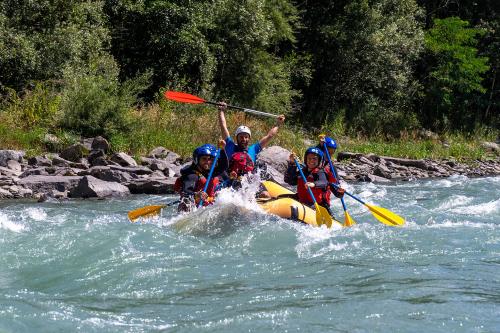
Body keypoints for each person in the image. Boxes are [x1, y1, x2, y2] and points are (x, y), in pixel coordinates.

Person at [284, 147, 344, 215]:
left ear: (319, 161)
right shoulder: (303, 171)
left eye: (314, 159)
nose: (311, 161)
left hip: (319, 204)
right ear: (306, 159)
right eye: (309, 158)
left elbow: (324, 182)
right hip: (303, 200)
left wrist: (314, 184)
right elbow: (288, 180)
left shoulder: (320, 172)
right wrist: (292, 164)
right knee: (280, 198)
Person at [174, 141, 228, 212]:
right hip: (191, 211)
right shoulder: (192, 175)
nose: (207, 162)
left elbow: (224, 166)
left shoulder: (211, 172)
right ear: (197, 160)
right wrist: (196, 195)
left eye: (210, 159)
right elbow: (186, 191)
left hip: (206, 209)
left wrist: (222, 150)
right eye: (204, 159)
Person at [316, 135, 345, 200]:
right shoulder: (312, 162)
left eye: (332, 152)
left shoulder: (331, 168)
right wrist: (320, 144)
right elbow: (316, 152)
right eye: (328, 151)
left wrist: (340, 193)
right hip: (307, 197)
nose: (330, 154)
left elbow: (336, 191)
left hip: (321, 200)